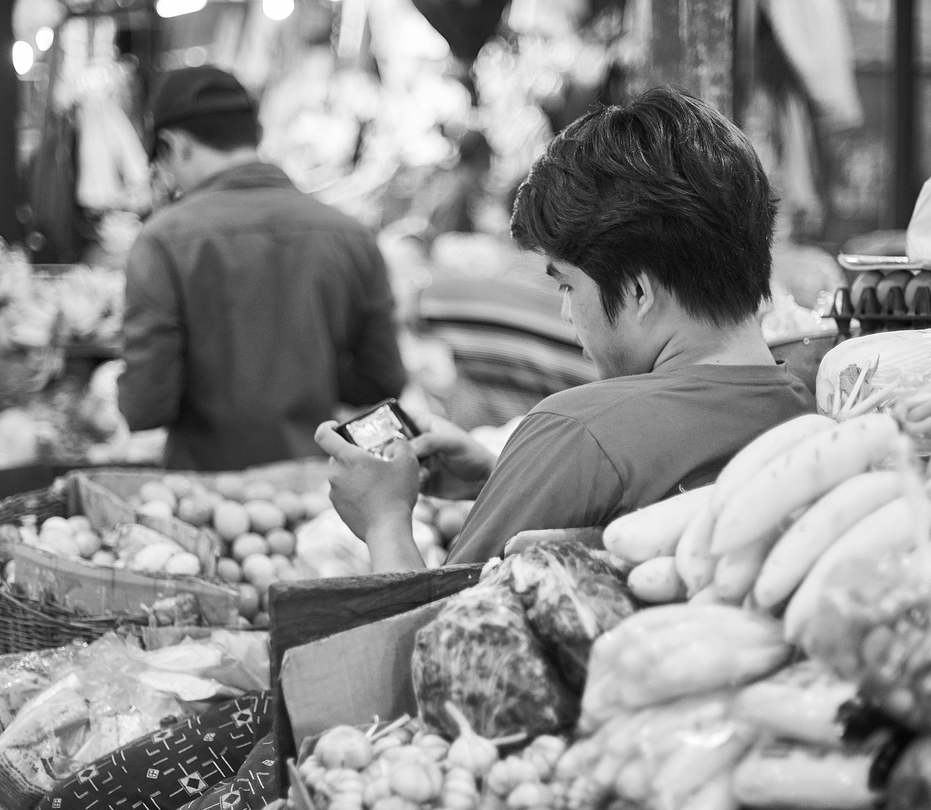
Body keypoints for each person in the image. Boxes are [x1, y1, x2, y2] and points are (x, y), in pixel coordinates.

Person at [315, 85, 815, 568]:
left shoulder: (579, 431)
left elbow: (444, 625)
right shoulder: (805, 405)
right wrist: (510, 480)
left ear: (638, 292)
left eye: (568, 286)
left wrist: (384, 520)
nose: (565, 313)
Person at [119, 66, 407, 471]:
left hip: (201, 488)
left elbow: (145, 405)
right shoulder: (352, 235)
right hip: (314, 485)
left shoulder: (162, 241)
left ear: (174, 145)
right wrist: (310, 365)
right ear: (254, 133)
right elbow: (383, 380)